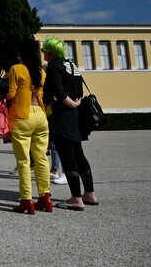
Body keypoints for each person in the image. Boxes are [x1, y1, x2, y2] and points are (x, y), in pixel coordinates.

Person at [42, 37, 98, 210]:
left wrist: (69, 103)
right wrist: (76, 103)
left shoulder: (53, 66)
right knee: (79, 154)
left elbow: (59, 91)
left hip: (62, 115)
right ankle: (89, 194)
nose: (43, 53)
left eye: (44, 50)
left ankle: (75, 198)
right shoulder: (71, 65)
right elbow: (79, 90)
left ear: (51, 52)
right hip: (75, 116)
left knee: (68, 156)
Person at [6, 39, 52, 214]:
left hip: (22, 116)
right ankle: (45, 197)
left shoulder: (16, 69)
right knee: (41, 159)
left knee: (24, 161)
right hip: (40, 116)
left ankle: (27, 200)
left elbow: (11, 93)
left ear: (21, 54)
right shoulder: (41, 71)